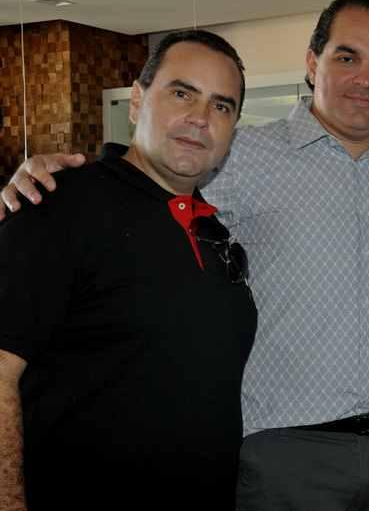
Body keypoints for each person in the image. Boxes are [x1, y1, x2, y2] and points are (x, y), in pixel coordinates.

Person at [0, 0, 369, 511]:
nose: (365, 78)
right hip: (286, 452)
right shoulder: (236, 156)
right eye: (347, 57)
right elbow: (132, 185)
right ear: (312, 63)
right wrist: (36, 182)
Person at [0, 30, 256, 511]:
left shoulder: (214, 233)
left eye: (221, 106)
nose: (200, 118)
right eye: (182, 93)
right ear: (137, 101)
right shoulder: (57, 205)